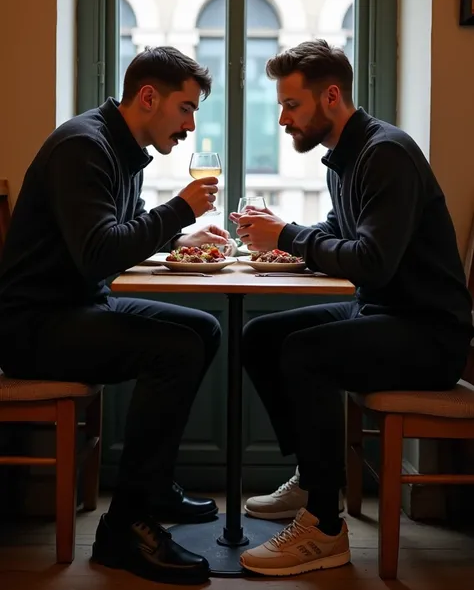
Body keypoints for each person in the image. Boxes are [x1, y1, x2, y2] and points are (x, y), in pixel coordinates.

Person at [231, 40, 473, 577]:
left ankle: (324, 529)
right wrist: (282, 233)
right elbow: (345, 235)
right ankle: (314, 480)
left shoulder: (385, 153)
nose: (283, 118)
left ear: (331, 97)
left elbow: (373, 263)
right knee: (262, 337)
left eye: (291, 105)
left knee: (305, 354)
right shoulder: (344, 159)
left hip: (429, 335)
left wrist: (289, 235)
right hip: (381, 314)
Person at [0, 47, 232, 585]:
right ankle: (125, 529)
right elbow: (100, 252)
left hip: (78, 307)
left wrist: (179, 235)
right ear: (148, 97)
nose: (191, 125)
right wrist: (179, 208)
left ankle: (151, 490)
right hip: (33, 327)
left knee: (202, 328)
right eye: (186, 108)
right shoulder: (86, 146)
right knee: (174, 348)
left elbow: (113, 230)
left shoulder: (116, 146)